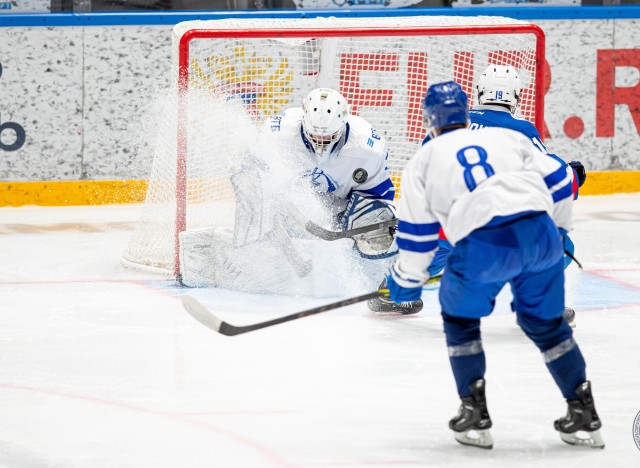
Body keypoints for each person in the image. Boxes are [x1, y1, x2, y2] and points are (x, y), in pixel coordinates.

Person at [386, 81, 604, 449]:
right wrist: (561, 229)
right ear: (466, 112)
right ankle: (583, 412)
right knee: (546, 326)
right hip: (540, 236)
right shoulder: (510, 137)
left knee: (461, 321)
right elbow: (563, 180)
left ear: (429, 120)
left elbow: (419, 240)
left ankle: (474, 413)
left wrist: (404, 282)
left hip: (482, 244)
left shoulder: (423, 159)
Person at [424, 64, 586, 327]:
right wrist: (575, 175)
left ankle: (394, 288)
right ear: (516, 97)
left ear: (478, 92)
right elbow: (553, 179)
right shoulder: (523, 131)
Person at [267, 87, 423, 314]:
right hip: (292, 213)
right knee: (258, 209)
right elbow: (253, 172)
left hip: (344, 215)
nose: (321, 142)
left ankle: (390, 285)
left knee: (378, 219)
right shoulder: (278, 133)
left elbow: (381, 199)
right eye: (315, 136)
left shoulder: (368, 147)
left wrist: (362, 227)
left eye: (328, 136)